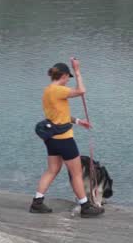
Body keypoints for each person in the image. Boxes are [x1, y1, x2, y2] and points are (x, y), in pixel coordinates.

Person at [31, 58, 103, 217]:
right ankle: (85, 206)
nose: (67, 81)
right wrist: (77, 71)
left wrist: (77, 121)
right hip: (64, 139)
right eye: (67, 77)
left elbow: (58, 115)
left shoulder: (47, 91)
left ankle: (37, 202)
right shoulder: (59, 90)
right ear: (63, 76)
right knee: (76, 173)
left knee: (52, 170)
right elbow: (81, 91)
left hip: (51, 139)